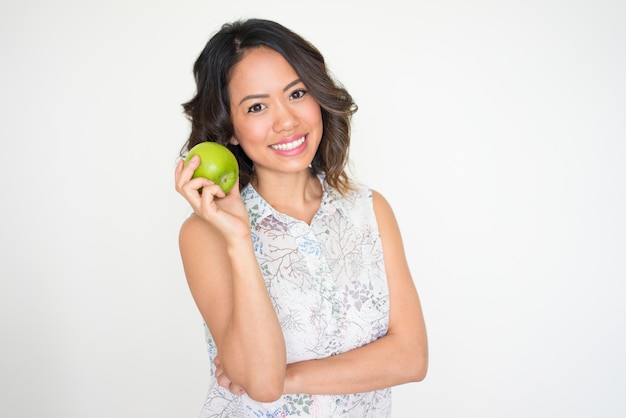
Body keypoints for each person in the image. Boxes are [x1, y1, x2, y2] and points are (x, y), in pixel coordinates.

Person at [174, 18, 428, 417]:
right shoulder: (205, 234)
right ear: (231, 129)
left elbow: (411, 358)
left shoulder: (369, 210)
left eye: (297, 93)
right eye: (256, 106)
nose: (287, 121)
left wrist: (282, 377)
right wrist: (239, 239)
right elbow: (259, 382)